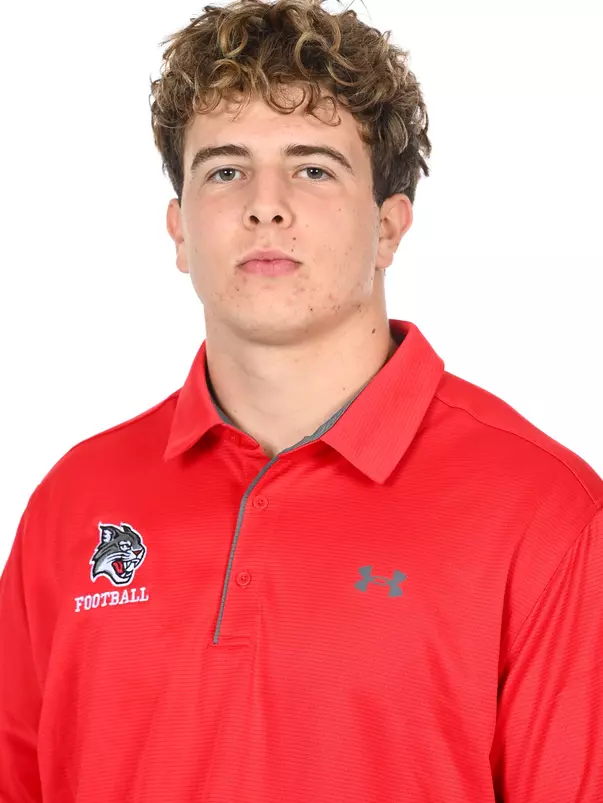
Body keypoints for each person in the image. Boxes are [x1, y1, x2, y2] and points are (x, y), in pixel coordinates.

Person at [1, 0, 601, 800]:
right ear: (179, 230)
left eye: (313, 167)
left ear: (388, 228)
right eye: (225, 169)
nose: (264, 204)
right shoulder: (73, 501)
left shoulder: (543, 513)